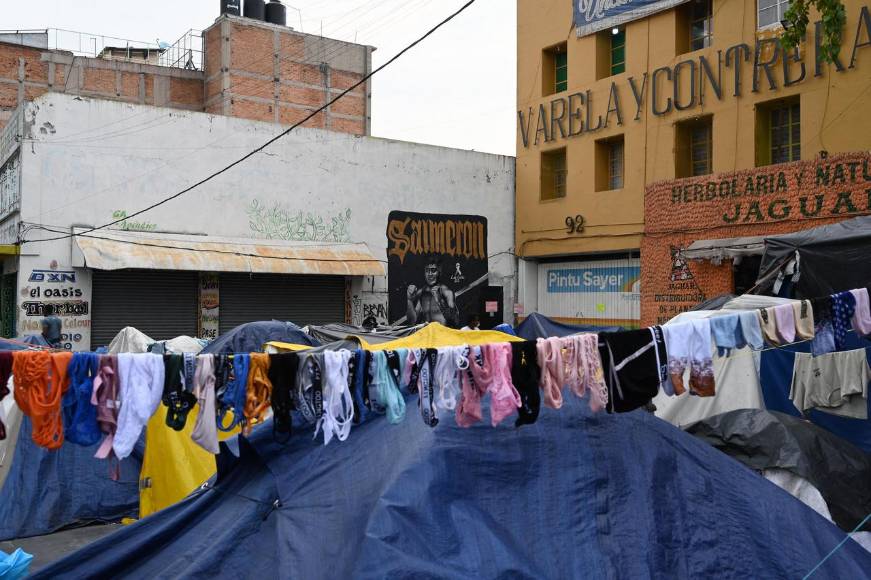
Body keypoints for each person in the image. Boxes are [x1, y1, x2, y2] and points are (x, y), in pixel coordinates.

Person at [406, 257, 459, 328]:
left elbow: (455, 321)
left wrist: (439, 300)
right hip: (428, 335)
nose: (430, 274)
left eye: (433, 270)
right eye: (427, 271)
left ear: (439, 272)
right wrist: (410, 301)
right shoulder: (421, 293)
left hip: (442, 335)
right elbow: (412, 321)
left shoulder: (446, 292)